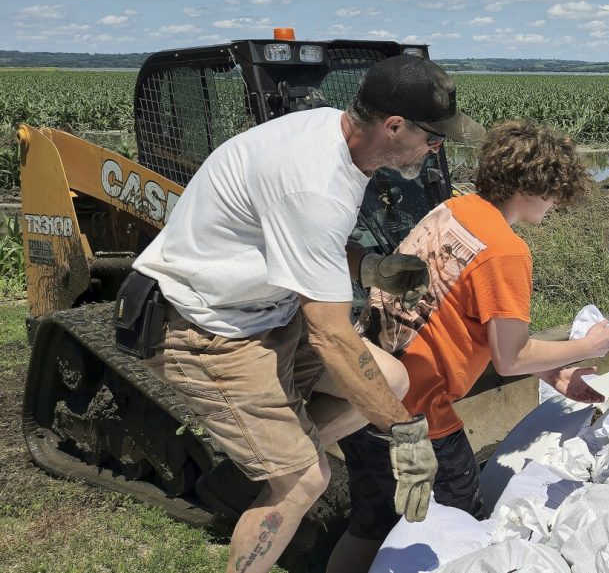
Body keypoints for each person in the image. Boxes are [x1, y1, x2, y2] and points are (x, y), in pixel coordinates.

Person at [129, 54, 485, 573]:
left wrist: (372, 268)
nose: (437, 147)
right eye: (434, 136)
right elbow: (331, 338)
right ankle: (276, 479)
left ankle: (262, 463)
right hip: (207, 326)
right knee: (305, 480)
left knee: (391, 378)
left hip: (264, 311)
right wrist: (407, 438)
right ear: (394, 125)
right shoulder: (314, 186)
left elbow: (302, 246)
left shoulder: (337, 139)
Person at [327, 120, 609, 572]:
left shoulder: (453, 210)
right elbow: (510, 357)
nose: (557, 202)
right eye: (556, 191)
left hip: (366, 393)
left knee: (371, 521)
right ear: (533, 186)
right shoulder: (506, 250)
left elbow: (461, 320)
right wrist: (585, 345)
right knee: (460, 527)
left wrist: (550, 371)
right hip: (419, 416)